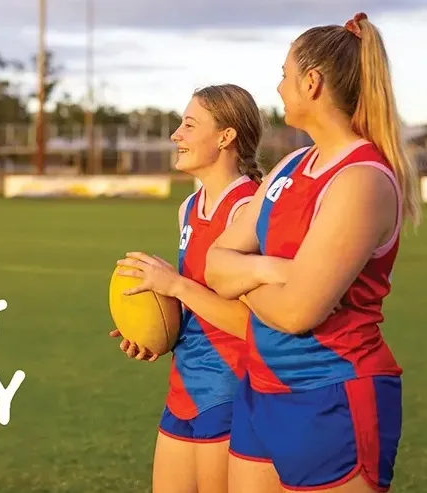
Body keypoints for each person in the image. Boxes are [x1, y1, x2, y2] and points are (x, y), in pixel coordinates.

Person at [204, 13, 420, 493]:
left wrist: (242, 279)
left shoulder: (361, 179)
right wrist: (272, 269)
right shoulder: (291, 164)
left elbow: (297, 311)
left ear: (312, 82)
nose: (278, 86)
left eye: (284, 74)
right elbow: (213, 262)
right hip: (261, 389)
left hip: (332, 396)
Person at [111, 83, 267, 493]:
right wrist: (150, 330)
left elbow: (259, 324)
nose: (175, 135)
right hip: (183, 388)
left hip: (232, 390)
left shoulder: (248, 211)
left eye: (189, 124)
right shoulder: (188, 208)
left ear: (225, 136)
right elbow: (196, 306)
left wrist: (175, 285)